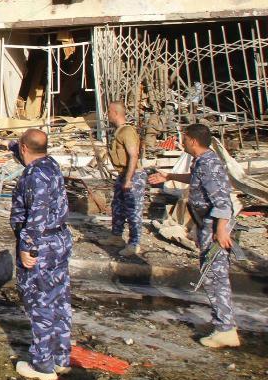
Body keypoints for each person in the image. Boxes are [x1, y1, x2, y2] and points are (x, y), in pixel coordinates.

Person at [149, 123, 239, 348]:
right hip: (207, 224)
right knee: (212, 274)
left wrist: (220, 231)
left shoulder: (210, 163)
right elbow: (195, 179)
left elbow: (222, 201)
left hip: (214, 225)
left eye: (185, 139)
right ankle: (223, 323)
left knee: (214, 276)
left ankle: (226, 329)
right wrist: (169, 175)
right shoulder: (202, 161)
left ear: (194, 142)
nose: (182, 142)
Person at [8, 128, 72, 380]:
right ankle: (60, 357)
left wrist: (28, 248)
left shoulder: (35, 177)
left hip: (40, 244)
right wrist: (14, 144)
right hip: (58, 240)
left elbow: (37, 214)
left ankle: (42, 364)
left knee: (40, 303)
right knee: (59, 299)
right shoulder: (50, 164)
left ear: (26, 148)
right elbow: (27, 149)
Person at [100, 101, 144, 256]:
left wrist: (129, 179)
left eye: (110, 112)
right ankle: (116, 236)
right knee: (118, 207)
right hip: (122, 174)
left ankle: (134, 244)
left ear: (116, 113)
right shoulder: (119, 131)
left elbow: (133, 156)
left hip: (132, 174)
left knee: (133, 210)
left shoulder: (127, 131)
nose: (108, 115)